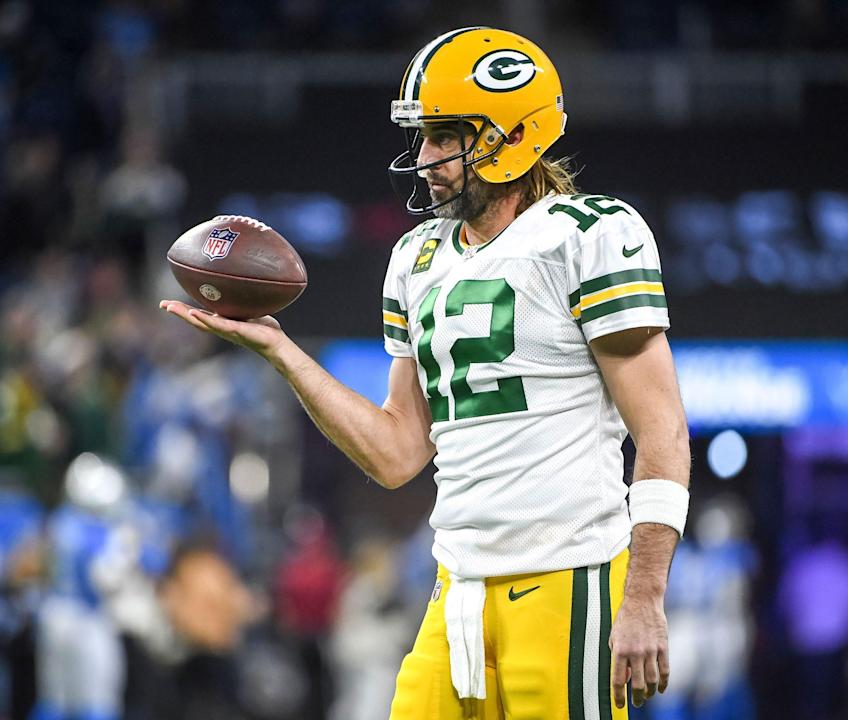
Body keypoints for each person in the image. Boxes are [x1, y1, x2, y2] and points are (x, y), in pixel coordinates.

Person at [161, 26, 690, 720]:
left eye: (445, 136)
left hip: (567, 582)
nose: (427, 158)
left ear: (511, 135)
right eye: (423, 137)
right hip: (456, 589)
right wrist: (282, 351)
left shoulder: (590, 234)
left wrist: (645, 597)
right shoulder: (416, 258)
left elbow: (664, 434)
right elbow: (396, 453)